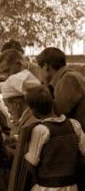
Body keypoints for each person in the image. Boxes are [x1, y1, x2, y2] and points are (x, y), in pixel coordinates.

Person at [36, 47, 85, 189]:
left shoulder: (69, 79)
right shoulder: (69, 77)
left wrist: (44, 86)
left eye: (40, 68)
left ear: (46, 67)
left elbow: (55, 115)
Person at [24, 86, 85, 191]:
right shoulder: (74, 125)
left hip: (46, 187)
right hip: (71, 186)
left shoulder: (40, 130)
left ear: (33, 110)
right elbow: (83, 155)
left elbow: (31, 164)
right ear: (52, 103)